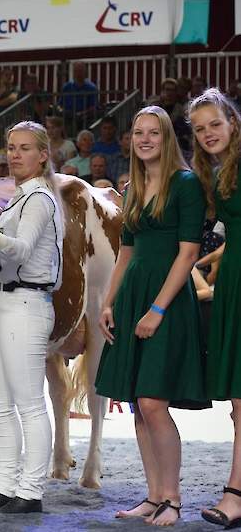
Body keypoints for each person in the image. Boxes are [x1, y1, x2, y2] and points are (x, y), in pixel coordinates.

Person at [94, 106, 208, 527]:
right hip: (132, 298)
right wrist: (109, 303)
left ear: (166, 138)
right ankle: (154, 495)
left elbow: (189, 253)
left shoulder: (186, 184)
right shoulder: (133, 187)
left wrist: (157, 309)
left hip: (169, 300)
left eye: (152, 133)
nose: (144, 139)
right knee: (138, 405)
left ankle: (173, 499)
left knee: (153, 402)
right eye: (137, 133)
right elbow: (125, 252)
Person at [0, 121, 64, 514]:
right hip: (0, 303)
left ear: (43, 155)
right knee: (1, 402)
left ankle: (32, 490)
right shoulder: (19, 198)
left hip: (27, 303)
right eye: (11, 147)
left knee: (28, 402)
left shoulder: (40, 198)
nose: (15, 155)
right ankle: (7, 485)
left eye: (25, 148)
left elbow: (20, 251)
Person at [186, 88, 241, 528]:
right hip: (233, 285)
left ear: (232, 122)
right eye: (200, 128)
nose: (208, 134)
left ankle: (235, 492)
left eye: (215, 124)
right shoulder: (216, 173)